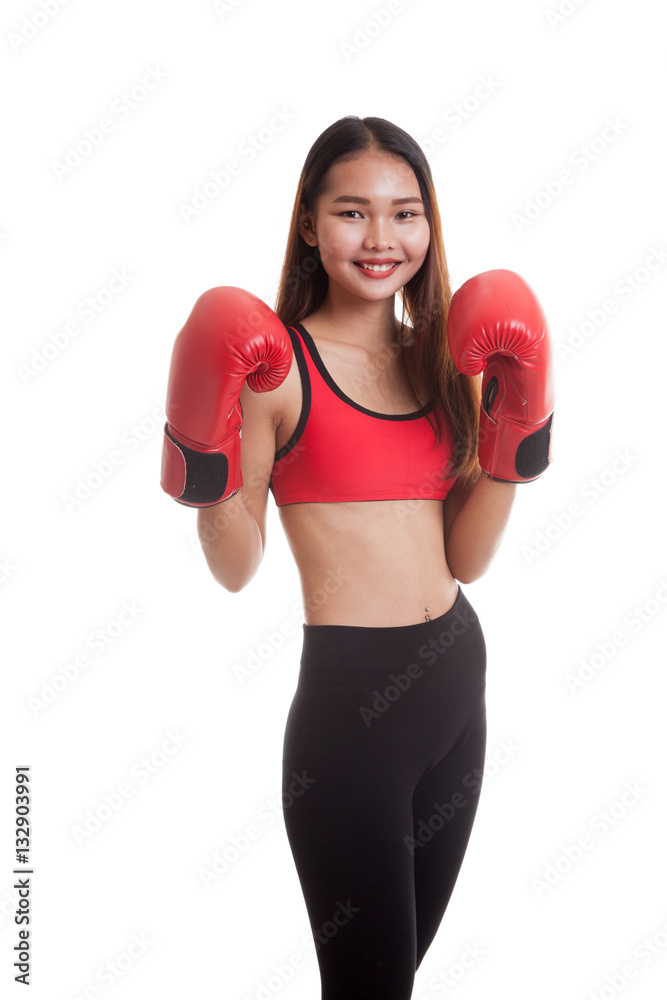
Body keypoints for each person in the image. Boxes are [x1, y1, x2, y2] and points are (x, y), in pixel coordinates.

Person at [160, 115, 553, 1000]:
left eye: (404, 213)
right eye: (351, 212)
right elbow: (235, 568)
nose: (381, 239)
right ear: (308, 224)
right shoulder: (274, 370)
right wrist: (206, 466)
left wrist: (514, 432)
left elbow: (468, 557)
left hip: (456, 678)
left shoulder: (446, 360)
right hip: (352, 714)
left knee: (392, 981)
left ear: (429, 225)